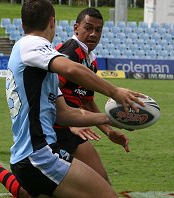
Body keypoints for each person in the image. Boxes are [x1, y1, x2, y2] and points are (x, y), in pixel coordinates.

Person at [0, 1, 145, 197]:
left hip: (31, 157)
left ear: (22, 24)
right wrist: (115, 92)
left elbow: (65, 114)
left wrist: (110, 118)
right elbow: (71, 68)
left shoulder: (41, 66)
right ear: (52, 22)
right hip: (40, 156)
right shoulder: (32, 44)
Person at [54, 7, 131, 183]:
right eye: (88, 28)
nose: (93, 34)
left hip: (67, 127)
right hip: (56, 128)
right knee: (99, 183)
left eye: (98, 30)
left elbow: (88, 102)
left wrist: (109, 132)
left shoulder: (91, 60)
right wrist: (69, 121)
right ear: (76, 28)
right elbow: (48, 91)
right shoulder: (70, 52)